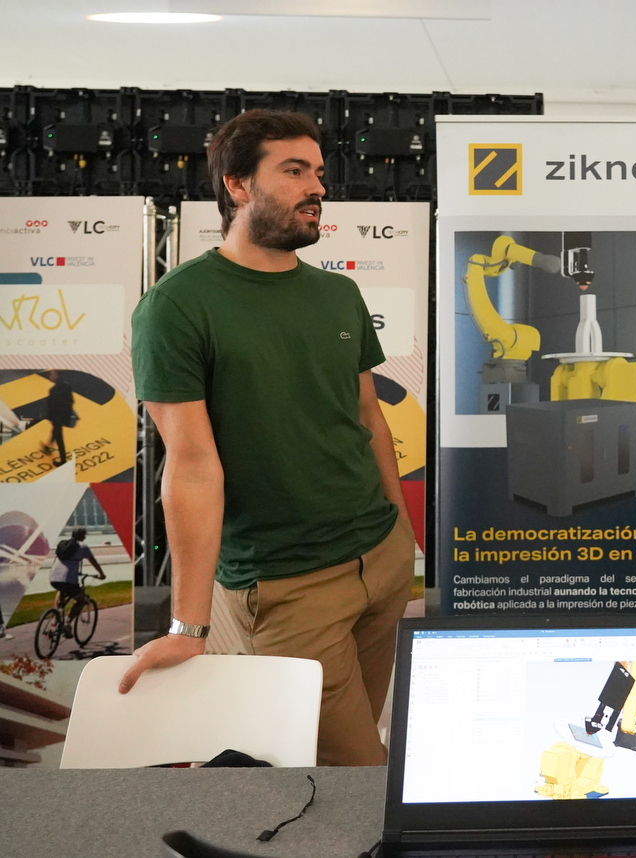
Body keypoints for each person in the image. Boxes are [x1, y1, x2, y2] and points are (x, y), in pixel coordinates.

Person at [124, 109, 415, 766]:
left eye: (318, 172)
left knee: (352, 758)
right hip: (288, 587)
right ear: (237, 184)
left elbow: (367, 416)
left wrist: (401, 532)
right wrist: (188, 624)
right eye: (293, 171)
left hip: (381, 561)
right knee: (357, 773)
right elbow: (190, 465)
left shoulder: (338, 293)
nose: (317, 187)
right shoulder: (177, 306)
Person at [49, 527, 106, 620]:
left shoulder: (63, 544)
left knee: (60, 590)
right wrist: (101, 574)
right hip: (68, 580)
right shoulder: (83, 547)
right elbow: (94, 562)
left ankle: (56, 617)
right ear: (83, 537)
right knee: (81, 600)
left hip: (53, 578)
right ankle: (68, 622)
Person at [41, 369, 74, 466]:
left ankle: (63, 460)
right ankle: (48, 446)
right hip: (64, 416)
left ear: (57, 375)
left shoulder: (54, 390)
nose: (50, 376)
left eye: (52, 374)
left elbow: (52, 406)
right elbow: (71, 401)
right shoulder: (67, 386)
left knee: (59, 438)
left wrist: (49, 417)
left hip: (57, 417)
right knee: (55, 431)